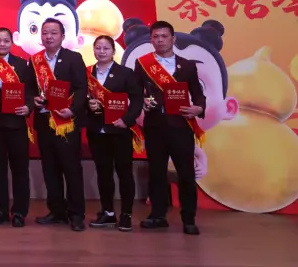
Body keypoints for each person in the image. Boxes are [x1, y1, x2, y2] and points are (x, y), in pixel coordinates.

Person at [135, 20, 206, 235]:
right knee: (157, 172)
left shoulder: (187, 65)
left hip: (181, 126)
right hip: (155, 126)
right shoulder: (142, 64)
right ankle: (158, 215)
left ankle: (189, 218)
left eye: (164, 36)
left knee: (186, 173)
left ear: (173, 39)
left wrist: (198, 108)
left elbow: (198, 94)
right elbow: (135, 93)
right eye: (155, 37)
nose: (160, 40)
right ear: (151, 40)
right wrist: (142, 102)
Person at [30, 18, 88, 231]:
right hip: (44, 121)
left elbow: (82, 88)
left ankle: (76, 214)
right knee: (50, 168)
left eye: (53, 33)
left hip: (66, 121)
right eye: (45, 32)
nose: (48, 36)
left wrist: (73, 109)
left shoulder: (73, 58)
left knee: (71, 168)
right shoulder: (34, 60)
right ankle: (56, 211)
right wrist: (33, 99)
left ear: (63, 36)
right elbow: (28, 88)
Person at [0, 27, 36, 228]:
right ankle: (1, 209)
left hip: (17, 124)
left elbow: (31, 91)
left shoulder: (22, 64)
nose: (2, 44)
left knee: (20, 170)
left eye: (6, 40)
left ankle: (19, 211)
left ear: (12, 42)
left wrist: (28, 106)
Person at [86, 35, 143, 233]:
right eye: (98, 48)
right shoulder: (87, 73)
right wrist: (88, 105)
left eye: (106, 48)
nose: (101, 52)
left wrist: (126, 120)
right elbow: (80, 98)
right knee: (103, 173)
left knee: (124, 172)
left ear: (113, 51)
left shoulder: (125, 73)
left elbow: (137, 100)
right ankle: (108, 212)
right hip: (97, 131)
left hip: (119, 130)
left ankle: (126, 214)